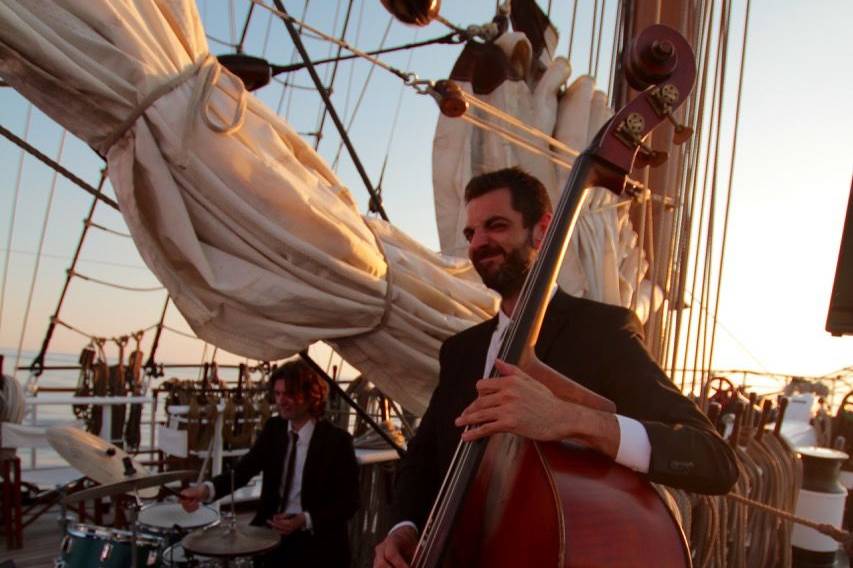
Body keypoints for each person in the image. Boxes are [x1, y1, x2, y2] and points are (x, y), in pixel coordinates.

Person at [373, 167, 739, 567]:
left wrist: (570, 418)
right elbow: (423, 456)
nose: (479, 244)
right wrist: (402, 527)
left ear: (542, 230)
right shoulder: (461, 350)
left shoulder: (602, 331)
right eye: (471, 233)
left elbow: (714, 461)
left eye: (495, 226)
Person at [181, 359, 359, 568]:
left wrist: (304, 519)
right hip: (271, 534)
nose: (281, 401)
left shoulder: (337, 441)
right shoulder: (274, 429)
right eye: (277, 394)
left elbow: (349, 502)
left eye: (289, 394)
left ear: (312, 396)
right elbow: (243, 471)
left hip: (316, 540)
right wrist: (204, 491)